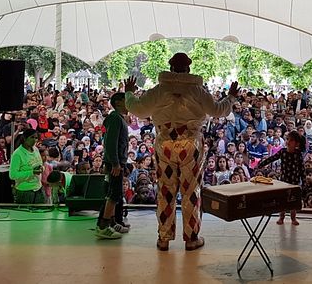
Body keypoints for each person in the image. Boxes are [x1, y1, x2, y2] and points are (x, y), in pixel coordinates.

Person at [124, 52, 239, 251]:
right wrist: (230, 97)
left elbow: (139, 109)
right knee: (190, 190)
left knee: (165, 190)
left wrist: (128, 93)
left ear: (170, 68)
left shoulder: (159, 90)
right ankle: (191, 238)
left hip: (165, 144)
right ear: (188, 69)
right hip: (190, 145)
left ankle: (164, 238)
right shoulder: (197, 91)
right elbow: (218, 110)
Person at [94, 92, 129, 240]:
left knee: (115, 193)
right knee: (113, 194)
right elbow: (111, 142)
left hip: (116, 162)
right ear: (119, 102)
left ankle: (112, 222)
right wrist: (115, 162)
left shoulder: (117, 118)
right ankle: (103, 226)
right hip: (114, 163)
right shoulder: (115, 118)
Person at [257, 131, 305, 225]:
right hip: (284, 180)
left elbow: (302, 169)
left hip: (294, 181)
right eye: (287, 139)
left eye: (291, 140)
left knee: (293, 201)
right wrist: (262, 164)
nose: (288, 142)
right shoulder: (283, 152)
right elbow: (273, 158)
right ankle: (281, 217)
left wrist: (303, 181)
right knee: (283, 201)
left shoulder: (298, 154)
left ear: (297, 143)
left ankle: (293, 218)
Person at [8, 128, 45, 204]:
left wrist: (42, 168)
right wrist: (32, 172)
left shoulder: (36, 149)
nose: (34, 140)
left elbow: (40, 164)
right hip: (25, 192)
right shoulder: (17, 154)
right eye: (32, 137)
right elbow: (12, 175)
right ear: (24, 138)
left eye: (36, 138)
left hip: (38, 189)